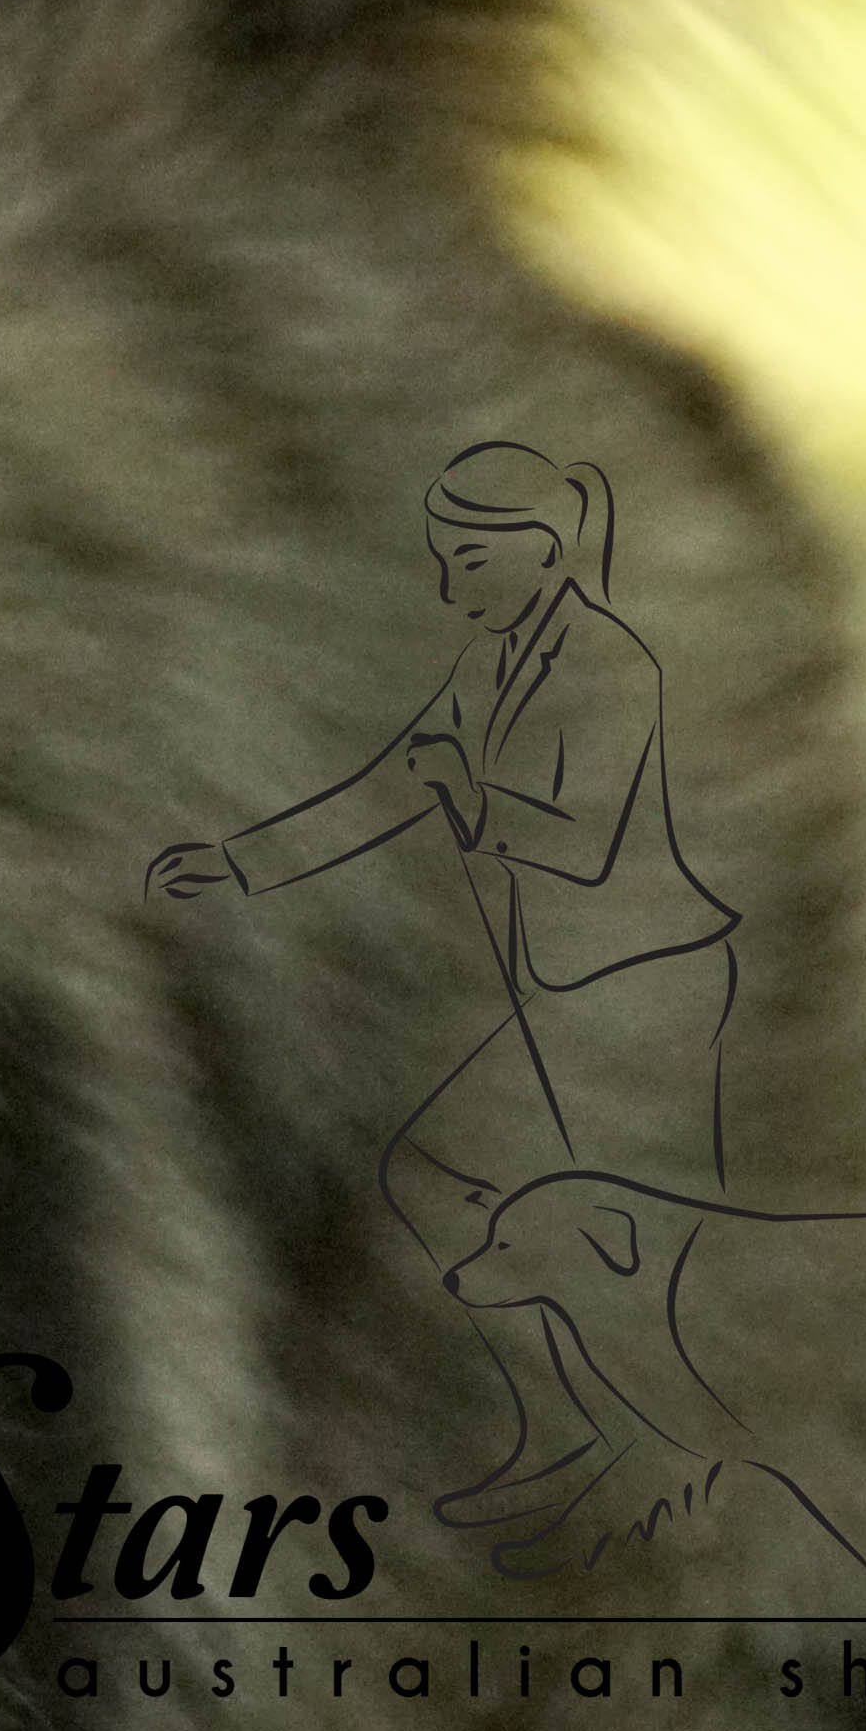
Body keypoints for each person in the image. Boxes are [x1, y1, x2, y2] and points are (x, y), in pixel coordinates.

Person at [149, 445, 736, 1532]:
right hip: (551, 977)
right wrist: (232, 863)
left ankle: (675, 1478)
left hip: (642, 975)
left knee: (622, 1246)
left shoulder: (606, 661)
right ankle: (585, 1449)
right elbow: (371, 798)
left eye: (473, 552)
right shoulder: (491, 666)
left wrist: (472, 797)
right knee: (453, 1195)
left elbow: (592, 846)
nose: (454, 570)